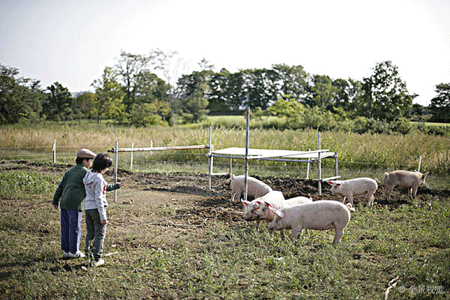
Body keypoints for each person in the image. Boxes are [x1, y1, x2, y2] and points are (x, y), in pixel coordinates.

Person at [52, 148, 96, 259]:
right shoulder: (86, 172)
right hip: (75, 204)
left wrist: (55, 201)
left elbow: (60, 187)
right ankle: (74, 251)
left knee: (66, 227)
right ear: (84, 161)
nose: (91, 164)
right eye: (90, 161)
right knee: (75, 227)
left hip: (64, 202)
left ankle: (66, 250)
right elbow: (95, 185)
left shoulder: (69, 172)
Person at [83, 152, 123, 266]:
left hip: (88, 208)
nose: (107, 169)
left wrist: (116, 185)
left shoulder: (89, 174)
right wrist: (103, 216)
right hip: (97, 208)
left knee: (90, 233)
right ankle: (96, 259)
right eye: (107, 167)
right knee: (100, 234)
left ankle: (89, 257)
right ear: (103, 167)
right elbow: (99, 198)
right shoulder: (99, 178)